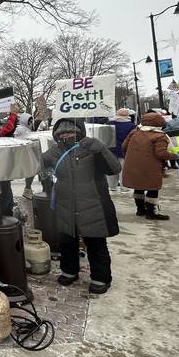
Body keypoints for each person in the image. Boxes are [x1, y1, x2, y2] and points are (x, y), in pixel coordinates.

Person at [43, 119, 120, 294]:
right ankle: (69, 271)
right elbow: (39, 166)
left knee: (95, 242)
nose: (66, 135)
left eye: (70, 132)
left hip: (92, 203)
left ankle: (101, 277)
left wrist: (100, 148)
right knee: (67, 240)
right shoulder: (53, 151)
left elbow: (114, 169)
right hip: (65, 204)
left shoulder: (92, 148)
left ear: (80, 132)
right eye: (61, 133)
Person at [121, 112, 178, 220]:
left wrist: (130, 157)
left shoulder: (134, 132)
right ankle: (151, 212)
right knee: (153, 188)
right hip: (151, 166)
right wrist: (174, 156)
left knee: (138, 187)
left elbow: (124, 146)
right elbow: (160, 153)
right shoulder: (159, 136)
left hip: (133, 164)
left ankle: (140, 209)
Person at [106, 108, 137, 193]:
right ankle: (125, 187)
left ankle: (112, 186)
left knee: (111, 168)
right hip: (125, 150)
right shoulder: (132, 126)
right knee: (124, 170)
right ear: (128, 115)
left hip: (110, 149)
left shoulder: (109, 124)